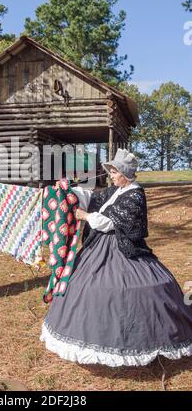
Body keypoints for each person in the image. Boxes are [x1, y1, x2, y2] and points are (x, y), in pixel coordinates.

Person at [40, 149, 192, 367]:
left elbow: (110, 222)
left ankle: (140, 337)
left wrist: (84, 216)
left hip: (123, 247)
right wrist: (66, 191)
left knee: (130, 288)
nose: (110, 175)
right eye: (110, 171)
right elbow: (92, 197)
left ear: (125, 174)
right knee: (82, 284)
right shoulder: (116, 191)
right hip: (99, 246)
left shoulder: (135, 195)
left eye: (114, 171)